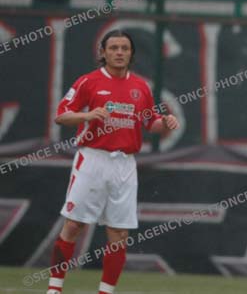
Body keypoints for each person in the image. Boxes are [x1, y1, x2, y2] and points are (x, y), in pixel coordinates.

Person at [47, 30, 180, 294]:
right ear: (103, 52)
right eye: (114, 48)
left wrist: (165, 122)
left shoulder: (141, 86)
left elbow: (150, 122)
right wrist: (87, 116)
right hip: (93, 159)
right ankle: (54, 288)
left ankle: (106, 292)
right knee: (73, 225)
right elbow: (61, 115)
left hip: (125, 164)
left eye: (124, 48)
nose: (119, 52)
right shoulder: (89, 82)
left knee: (119, 235)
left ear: (131, 54)